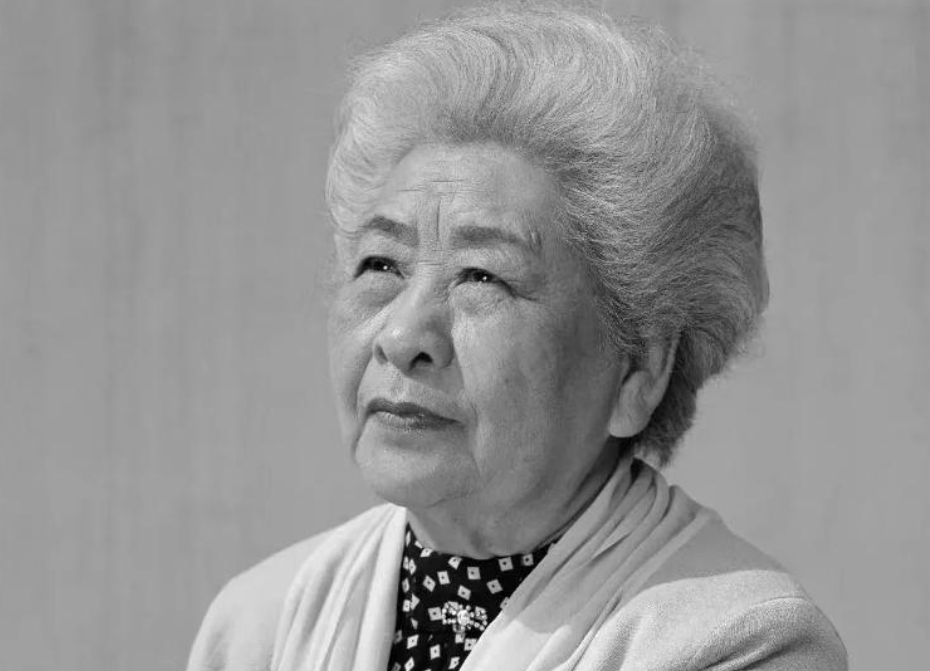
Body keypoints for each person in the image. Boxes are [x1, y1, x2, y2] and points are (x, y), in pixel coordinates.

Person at [187, 4, 847, 670]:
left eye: (483, 276)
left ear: (638, 369)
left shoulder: (741, 640)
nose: (404, 334)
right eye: (381, 264)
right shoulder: (257, 626)